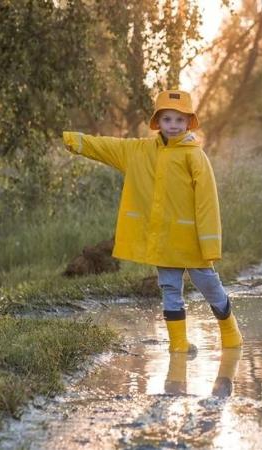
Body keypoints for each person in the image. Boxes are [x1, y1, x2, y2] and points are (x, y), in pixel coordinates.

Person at [62, 89, 242, 353]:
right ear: (158, 122)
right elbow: (108, 146)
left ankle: (230, 330)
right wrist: (76, 141)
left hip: (191, 241)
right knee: (170, 288)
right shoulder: (140, 151)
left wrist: (210, 243)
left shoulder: (194, 156)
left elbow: (207, 202)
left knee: (209, 285)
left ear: (188, 123)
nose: (173, 125)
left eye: (180, 120)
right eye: (168, 119)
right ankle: (178, 343)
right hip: (163, 240)